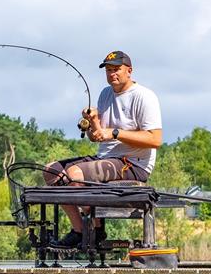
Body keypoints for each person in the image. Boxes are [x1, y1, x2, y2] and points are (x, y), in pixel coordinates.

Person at [43, 50, 162, 248]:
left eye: (116, 69)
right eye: (108, 70)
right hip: (105, 158)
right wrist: (92, 122)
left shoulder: (144, 96)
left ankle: (96, 229)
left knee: (74, 174)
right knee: (51, 171)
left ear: (129, 71)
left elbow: (155, 139)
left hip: (133, 164)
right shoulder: (106, 94)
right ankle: (79, 230)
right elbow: (96, 137)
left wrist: (115, 133)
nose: (112, 74)